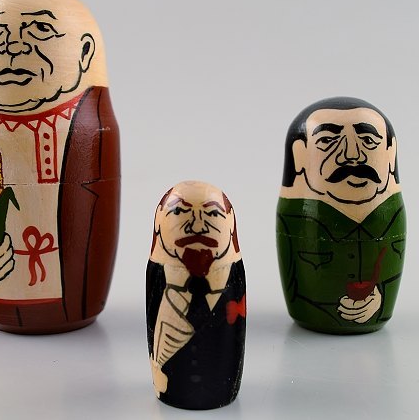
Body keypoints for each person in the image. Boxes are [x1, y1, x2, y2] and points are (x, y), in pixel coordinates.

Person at [0, 0, 120, 333]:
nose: (13, 46)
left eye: (40, 29)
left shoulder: (92, 124)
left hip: (75, 296)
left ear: (84, 54)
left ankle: (78, 305)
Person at [277, 97, 406, 334]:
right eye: (328, 140)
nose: (351, 154)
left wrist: (379, 299)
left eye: (368, 140)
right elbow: (297, 287)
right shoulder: (294, 219)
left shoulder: (391, 216)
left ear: (390, 154)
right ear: (299, 155)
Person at [146, 181, 246, 409]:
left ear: (231, 226)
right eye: (179, 212)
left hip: (221, 387)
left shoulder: (233, 276)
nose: (198, 226)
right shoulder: (158, 275)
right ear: (159, 225)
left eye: (213, 214)